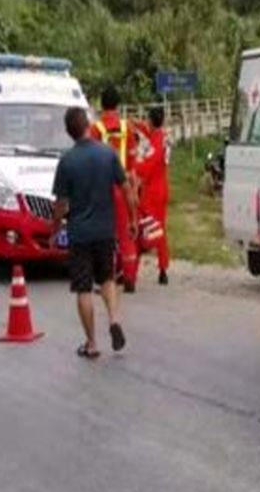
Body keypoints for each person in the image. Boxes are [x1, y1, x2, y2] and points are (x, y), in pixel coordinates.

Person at [50, 107, 137, 359]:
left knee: (84, 289)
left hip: (80, 234)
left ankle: (91, 343)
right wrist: (132, 220)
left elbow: (60, 205)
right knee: (107, 279)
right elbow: (127, 188)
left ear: (69, 132)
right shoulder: (107, 154)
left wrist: (55, 231)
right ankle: (114, 319)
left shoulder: (67, 162)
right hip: (105, 231)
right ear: (88, 124)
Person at [89, 87, 141, 293]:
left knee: (105, 236)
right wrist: (134, 188)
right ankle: (130, 277)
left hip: (103, 188)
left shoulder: (96, 129)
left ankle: (107, 279)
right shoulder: (126, 127)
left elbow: (91, 162)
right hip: (124, 185)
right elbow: (133, 160)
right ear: (118, 105)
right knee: (127, 232)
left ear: (102, 105)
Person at [136, 106, 172, 285]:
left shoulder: (156, 144)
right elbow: (148, 132)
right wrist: (135, 124)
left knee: (145, 225)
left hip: (152, 191)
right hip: (161, 187)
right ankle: (163, 267)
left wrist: (132, 166)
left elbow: (146, 167)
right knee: (160, 228)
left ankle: (134, 262)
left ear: (151, 120)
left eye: (146, 120)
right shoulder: (162, 137)